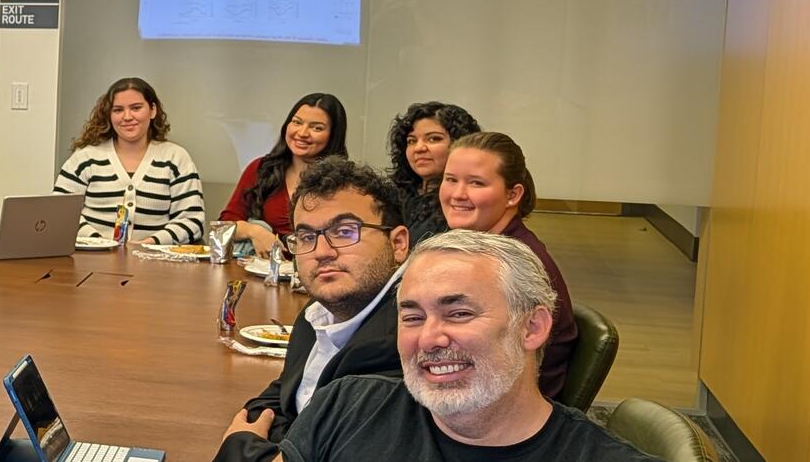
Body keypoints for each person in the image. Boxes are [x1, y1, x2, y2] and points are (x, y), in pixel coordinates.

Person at [240, 231, 660, 462]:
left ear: (532, 327)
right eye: (412, 316)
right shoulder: (348, 406)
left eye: (459, 313)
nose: (429, 338)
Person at [216, 157, 410, 459]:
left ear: (398, 243)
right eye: (307, 237)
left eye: (345, 232)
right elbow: (285, 396)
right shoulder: (319, 313)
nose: (321, 252)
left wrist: (241, 446)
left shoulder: (405, 340)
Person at [440, 132, 577, 399]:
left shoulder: (515, 266)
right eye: (450, 180)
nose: (457, 194)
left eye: (476, 183)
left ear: (513, 195)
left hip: (501, 410)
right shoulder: (481, 248)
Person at [55, 77, 205, 244]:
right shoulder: (85, 157)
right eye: (118, 110)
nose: (127, 117)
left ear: (153, 110)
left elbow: (192, 220)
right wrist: (99, 243)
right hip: (91, 259)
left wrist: (151, 243)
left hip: (154, 262)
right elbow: (60, 211)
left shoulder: (176, 158)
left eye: (136, 108)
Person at [221, 93, 350, 254]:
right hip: (263, 273)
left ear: (333, 135)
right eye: (297, 122)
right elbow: (223, 227)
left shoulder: (345, 181)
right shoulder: (261, 169)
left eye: (316, 128)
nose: (302, 133)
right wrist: (255, 232)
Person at [386, 102, 483, 242]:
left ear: (461, 143)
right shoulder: (393, 194)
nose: (419, 148)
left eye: (434, 139)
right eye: (411, 141)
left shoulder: (464, 201)